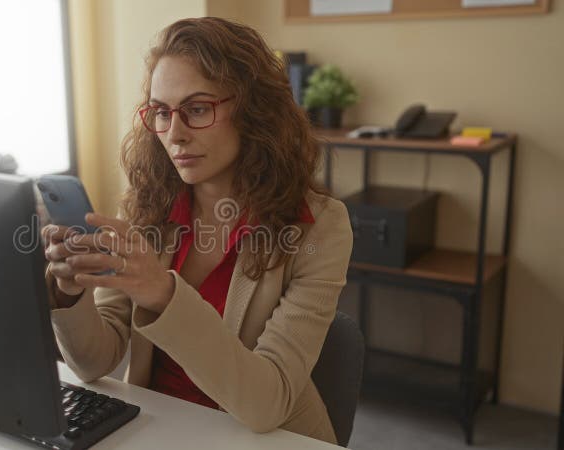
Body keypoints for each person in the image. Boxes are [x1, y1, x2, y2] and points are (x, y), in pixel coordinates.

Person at [41, 17, 352, 445]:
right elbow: (95, 362)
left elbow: (269, 403)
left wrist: (163, 295)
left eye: (198, 109)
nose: (175, 134)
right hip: (161, 429)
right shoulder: (146, 205)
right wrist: (70, 293)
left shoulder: (322, 226)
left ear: (253, 110)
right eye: (161, 113)